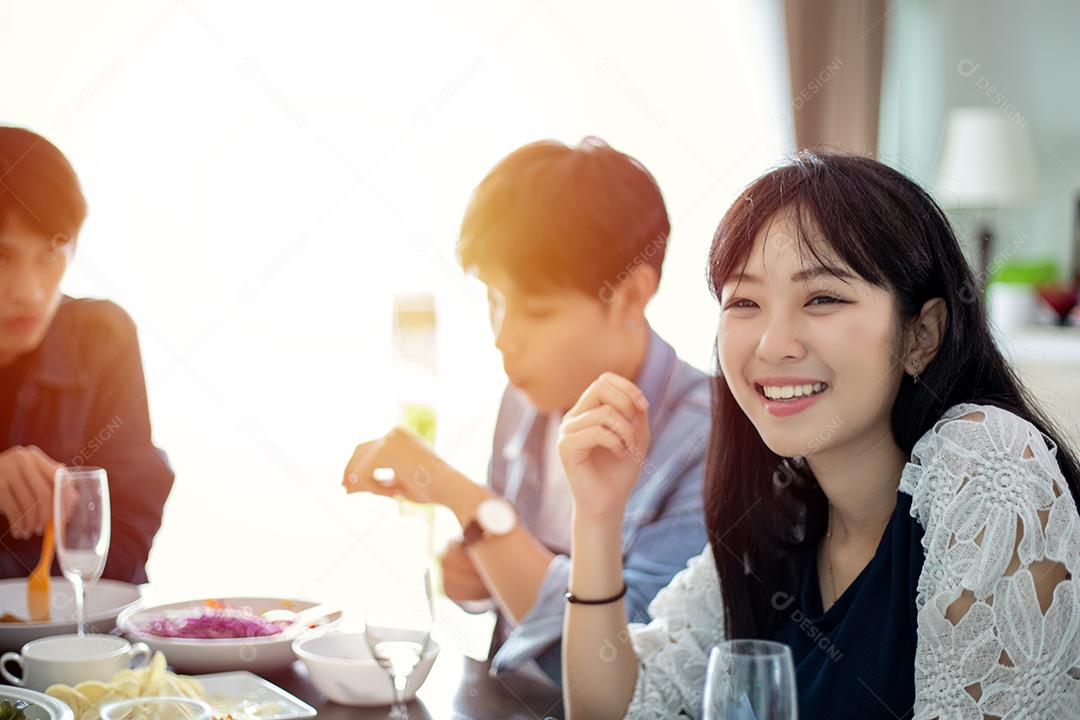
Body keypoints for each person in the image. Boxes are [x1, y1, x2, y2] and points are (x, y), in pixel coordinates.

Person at [561, 151, 1080, 718]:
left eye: (823, 298)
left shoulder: (987, 462)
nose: (772, 344)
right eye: (745, 302)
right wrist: (596, 516)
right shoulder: (780, 513)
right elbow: (614, 707)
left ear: (922, 335)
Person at [343, 138, 711, 684]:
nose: (503, 337)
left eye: (536, 310)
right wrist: (478, 567)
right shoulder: (526, 399)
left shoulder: (707, 441)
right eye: (494, 300)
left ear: (631, 295)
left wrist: (467, 500)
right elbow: (516, 592)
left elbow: (626, 660)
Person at [0, 126, 174, 584]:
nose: (31, 292)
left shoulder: (103, 336)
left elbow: (128, 538)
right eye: (1, 258)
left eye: (52, 252)